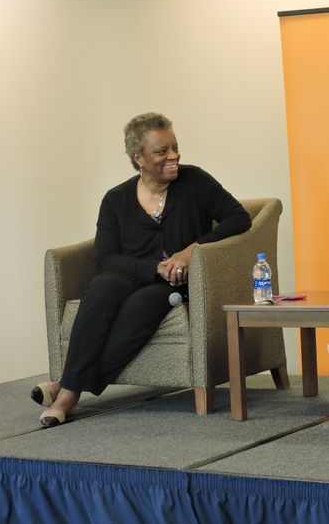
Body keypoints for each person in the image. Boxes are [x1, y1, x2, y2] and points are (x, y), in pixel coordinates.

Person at [31, 112, 252, 427]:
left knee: (142, 305)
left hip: (175, 284)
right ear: (139, 158)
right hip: (133, 274)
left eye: (174, 147)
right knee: (100, 292)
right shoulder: (116, 199)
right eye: (162, 151)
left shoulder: (196, 182)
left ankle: (67, 391)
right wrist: (153, 268)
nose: (173, 155)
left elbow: (238, 218)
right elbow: (105, 258)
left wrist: (192, 250)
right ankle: (69, 384)